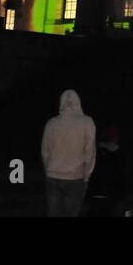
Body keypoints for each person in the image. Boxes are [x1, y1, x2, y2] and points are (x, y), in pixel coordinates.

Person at [42, 89, 96, 217]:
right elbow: (90, 153)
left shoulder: (52, 123)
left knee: (54, 213)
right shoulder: (87, 122)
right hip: (75, 177)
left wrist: (48, 170)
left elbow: (45, 151)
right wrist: (87, 175)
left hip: (53, 176)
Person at [86, 124, 127, 216]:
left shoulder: (94, 152)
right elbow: (122, 175)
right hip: (111, 194)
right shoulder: (119, 154)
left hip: (95, 192)